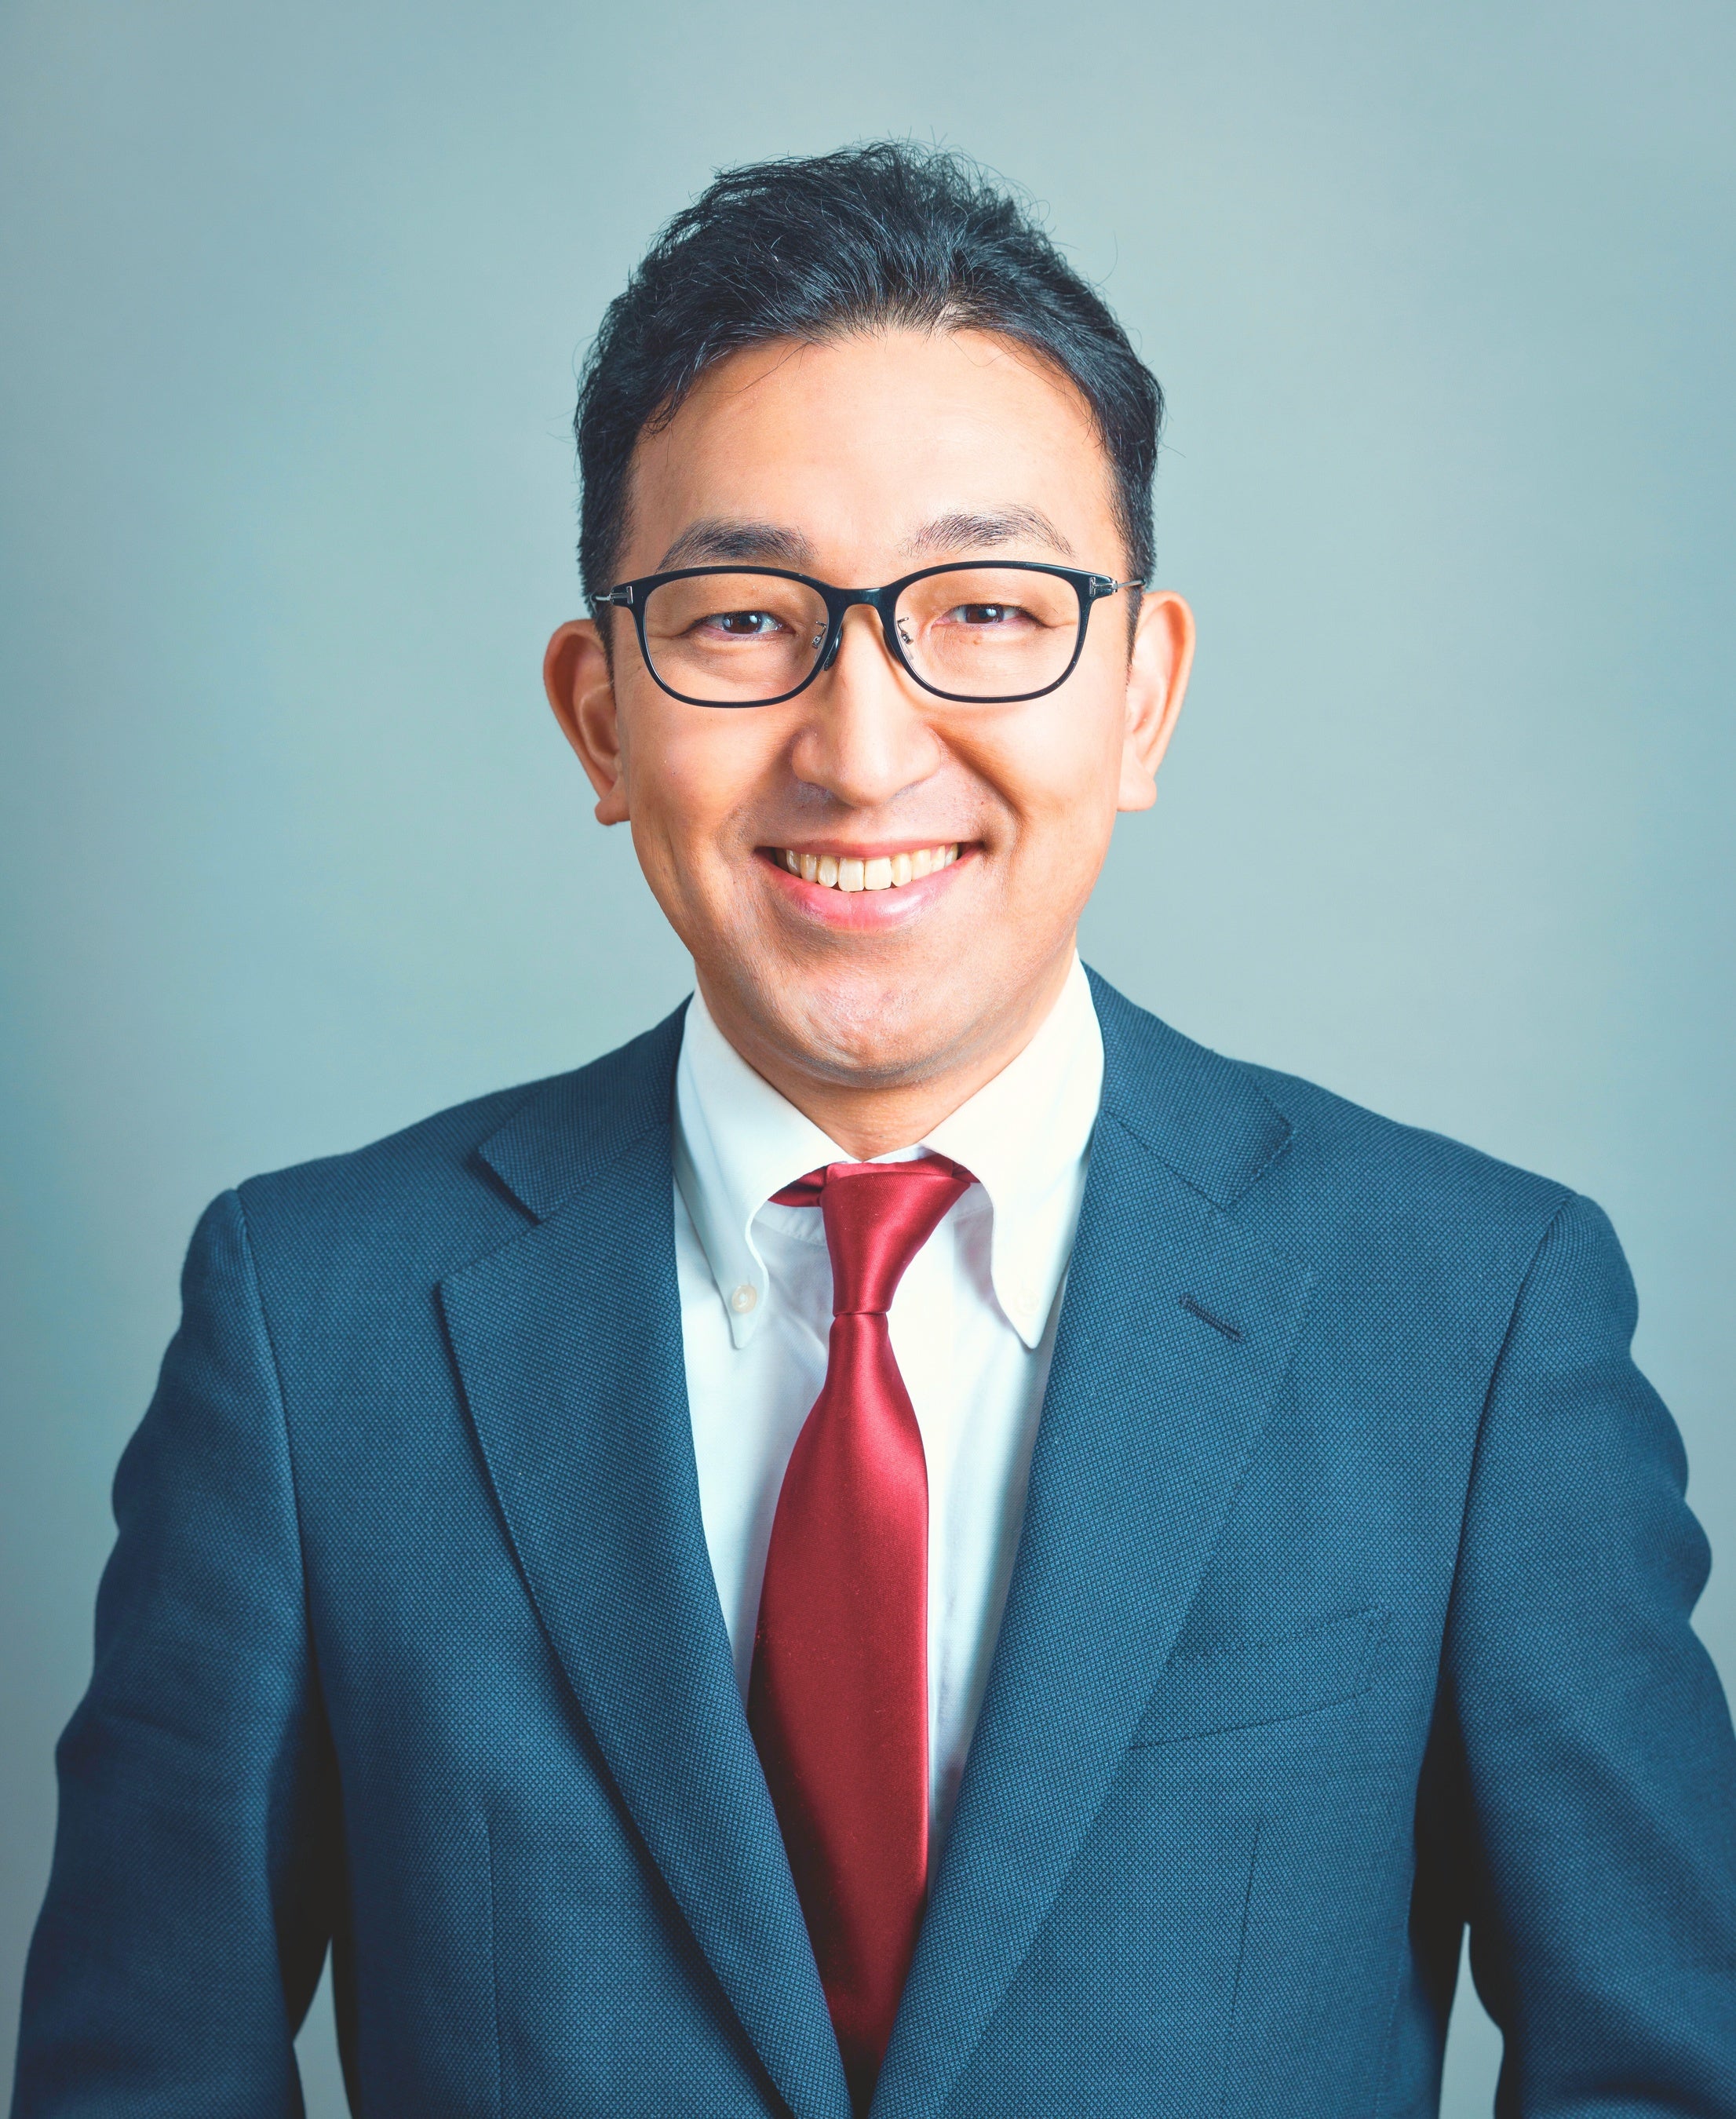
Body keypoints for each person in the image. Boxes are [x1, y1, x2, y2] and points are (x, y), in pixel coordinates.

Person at [13, 142, 1736, 2119]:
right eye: (745, 620)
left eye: (987, 608)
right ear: (598, 716)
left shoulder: (1470, 1319)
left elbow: (1659, 2069)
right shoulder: (312, 1328)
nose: (859, 748)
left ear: (1141, 695)